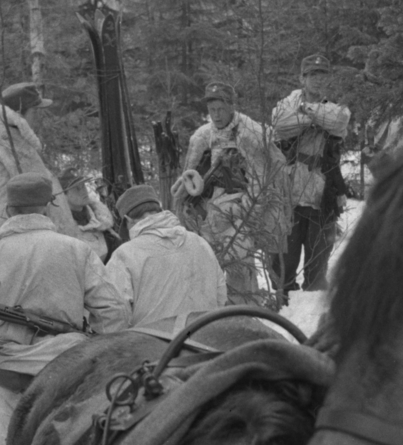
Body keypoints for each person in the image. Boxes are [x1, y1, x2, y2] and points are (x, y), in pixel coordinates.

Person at [0, 172, 127, 445]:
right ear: (47, 207)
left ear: (9, 210)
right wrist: (92, 353)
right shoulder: (77, 250)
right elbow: (114, 312)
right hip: (71, 375)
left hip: (11, 380)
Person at [171, 82, 288, 303]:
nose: (216, 115)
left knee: (239, 265)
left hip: (239, 211)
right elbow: (187, 178)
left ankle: (244, 311)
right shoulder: (202, 136)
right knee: (206, 267)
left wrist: (247, 215)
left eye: (221, 109)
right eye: (211, 110)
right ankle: (212, 312)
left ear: (231, 106)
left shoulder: (250, 134)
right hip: (207, 213)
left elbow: (261, 181)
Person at [271, 53, 351, 295]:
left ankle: (310, 312)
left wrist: (305, 111)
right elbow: (280, 124)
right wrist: (316, 118)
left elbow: (339, 121)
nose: (318, 80)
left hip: (322, 193)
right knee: (283, 266)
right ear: (302, 78)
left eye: (323, 76)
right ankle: (281, 309)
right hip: (290, 194)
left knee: (317, 267)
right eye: (312, 75)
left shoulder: (337, 107)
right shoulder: (286, 103)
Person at [0, 81, 78, 256]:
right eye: (35, 111)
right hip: (15, 236)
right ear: (19, 113)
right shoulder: (8, 140)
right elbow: (40, 189)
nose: (38, 117)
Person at [104, 183, 227, 333]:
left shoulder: (125, 255)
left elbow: (114, 316)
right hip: (205, 339)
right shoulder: (199, 242)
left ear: (128, 220)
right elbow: (221, 295)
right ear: (159, 211)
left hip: (153, 346)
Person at [60, 168, 119, 261]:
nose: (84, 191)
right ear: (63, 195)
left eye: (83, 185)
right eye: (77, 188)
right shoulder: (59, 228)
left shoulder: (103, 221)